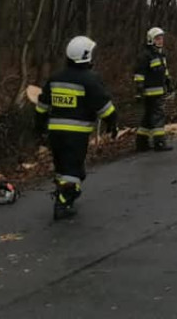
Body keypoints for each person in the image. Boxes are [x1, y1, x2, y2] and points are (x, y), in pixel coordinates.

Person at [35, 35, 118, 220]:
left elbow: (42, 106)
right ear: (86, 56)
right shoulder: (90, 79)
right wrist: (112, 123)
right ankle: (63, 203)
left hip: (55, 133)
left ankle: (64, 195)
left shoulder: (55, 78)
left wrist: (39, 128)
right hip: (76, 134)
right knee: (74, 171)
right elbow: (104, 106)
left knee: (62, 167)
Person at [133, 26, 174, 152]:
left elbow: (164, 71)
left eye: (161, 38)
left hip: (159, 89)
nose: (160, 40)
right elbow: (139, 73)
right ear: (151, 39)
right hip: (150, 91)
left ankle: (142, 142)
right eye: (157, 38)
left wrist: (168, 81)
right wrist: (139, 88)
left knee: (148, 116)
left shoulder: (161, 54)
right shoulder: (146, 55)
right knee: (158, 116)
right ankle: (159, 142)